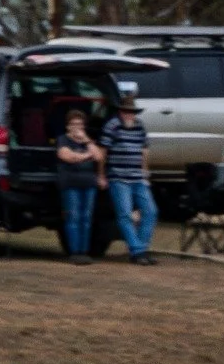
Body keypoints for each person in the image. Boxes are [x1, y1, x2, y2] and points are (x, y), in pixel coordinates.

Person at [100, 94, 157, 265]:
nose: (129, 115)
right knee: (125, 214)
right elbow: (103, 152)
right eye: (126, 111)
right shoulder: (112, 126)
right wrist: (101, 174)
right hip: (119, 177)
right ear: (121, 112)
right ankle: (138, 250)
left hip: (137, 177)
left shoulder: (140, 126)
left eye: (131, 112)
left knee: (151, 211)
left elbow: (144, 150)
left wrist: (145, 171)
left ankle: (140, 248)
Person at [55, 109, 106, 266]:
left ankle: (84, 251)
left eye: (80, 124)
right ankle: (74, 251)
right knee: (73, 216)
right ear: (68, 126)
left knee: (87, 217)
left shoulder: (87, 141)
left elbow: (99, 156)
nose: (77, 127)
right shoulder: (63, 140)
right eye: (74, 124)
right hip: (71, 183)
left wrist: (86, 141)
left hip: (89, 183)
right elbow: (67, 156)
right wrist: (85, 156)